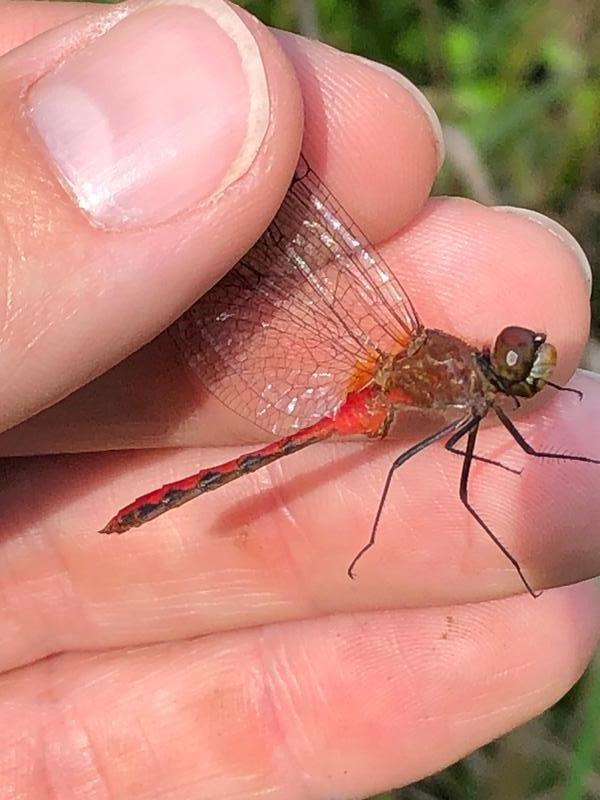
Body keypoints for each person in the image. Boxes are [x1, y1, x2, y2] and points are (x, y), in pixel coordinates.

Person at [0, 1, 598, 797]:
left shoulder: (461, 371)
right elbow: (461, 461)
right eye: (523, 360)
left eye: (525, 362)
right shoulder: (462, 383)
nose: (525, 365)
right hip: (355, 398)